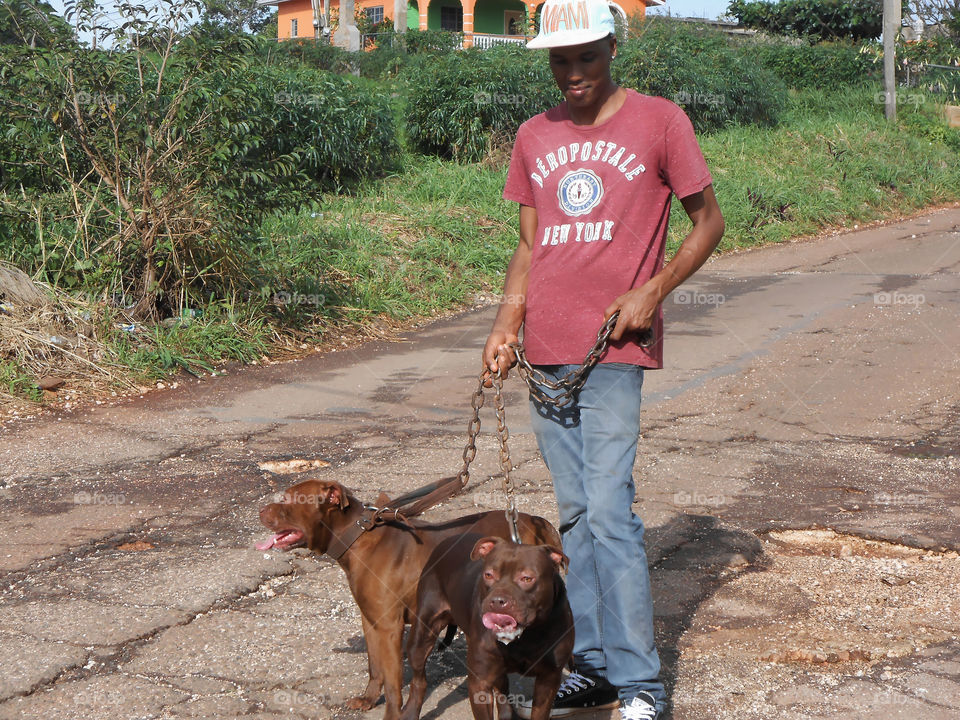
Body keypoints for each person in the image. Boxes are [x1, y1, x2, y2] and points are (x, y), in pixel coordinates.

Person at [481, 1, 725, 719]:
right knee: (578, 514)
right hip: (545, 349)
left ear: (611, 49)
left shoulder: (659, 121)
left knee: (612, 513)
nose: (573, 72)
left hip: (614, 345)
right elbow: (530, 244)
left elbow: (708, 222)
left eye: (586, 56)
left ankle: (641, 683)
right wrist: (505, 323)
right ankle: (586, 661)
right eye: (560, 60)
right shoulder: (534, 134)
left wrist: (653, 289)